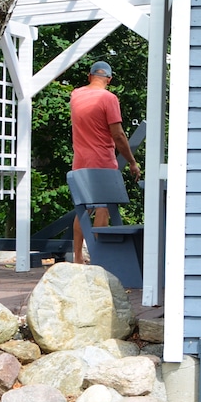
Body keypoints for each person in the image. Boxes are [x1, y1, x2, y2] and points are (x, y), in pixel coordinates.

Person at [68, 61, 138, 264]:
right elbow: (118, 135)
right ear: (109, 79)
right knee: (103, 208)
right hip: (102, 159)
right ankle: (98, 257)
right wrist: (132, 162)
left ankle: (78, 257)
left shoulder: (75, 95)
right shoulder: (109, 98)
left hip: (80, 160)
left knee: (83, 209)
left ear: (89, 76)